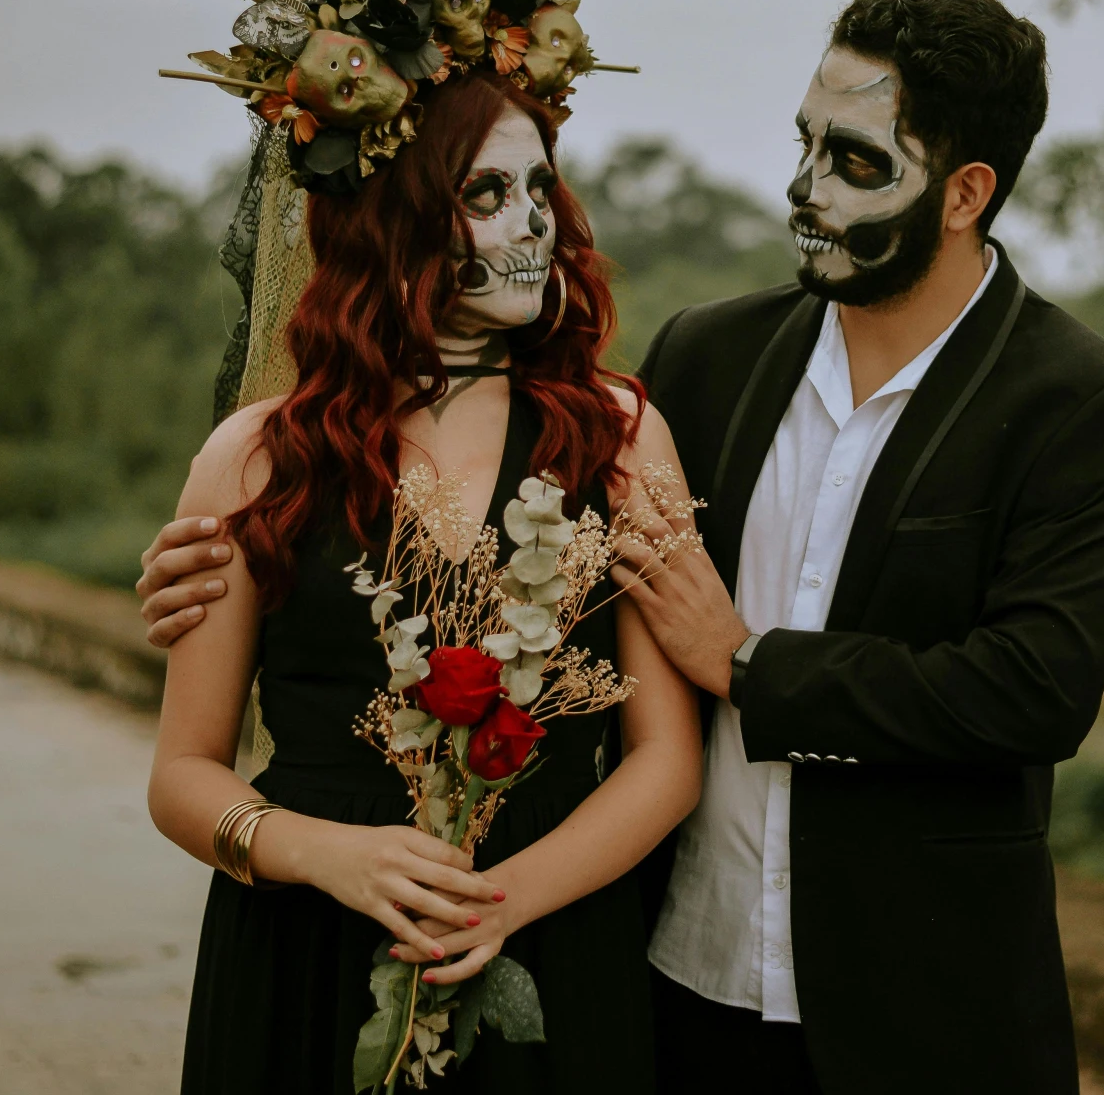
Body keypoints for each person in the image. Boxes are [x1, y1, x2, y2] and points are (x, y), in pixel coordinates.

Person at [143, 0, 1104, 1094]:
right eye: (805, 142)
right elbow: (207, 723)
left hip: (911, 1003)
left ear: (967, 191)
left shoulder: (1080, 402)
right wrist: (204, 575)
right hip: (671, 983)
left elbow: (1033, 690)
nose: (805, 187)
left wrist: (747, 664)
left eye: (857, 161)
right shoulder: (706, 362)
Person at [152, 72, 702, 1094]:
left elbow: (667, 757)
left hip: (551, 938)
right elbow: (182, 773)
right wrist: (320, 853)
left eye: (542, 189)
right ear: (391, 213)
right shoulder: (254, 457)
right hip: (305, 951)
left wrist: (502, 900)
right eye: (487, 194)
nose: (533, 222)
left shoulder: (621, 433)